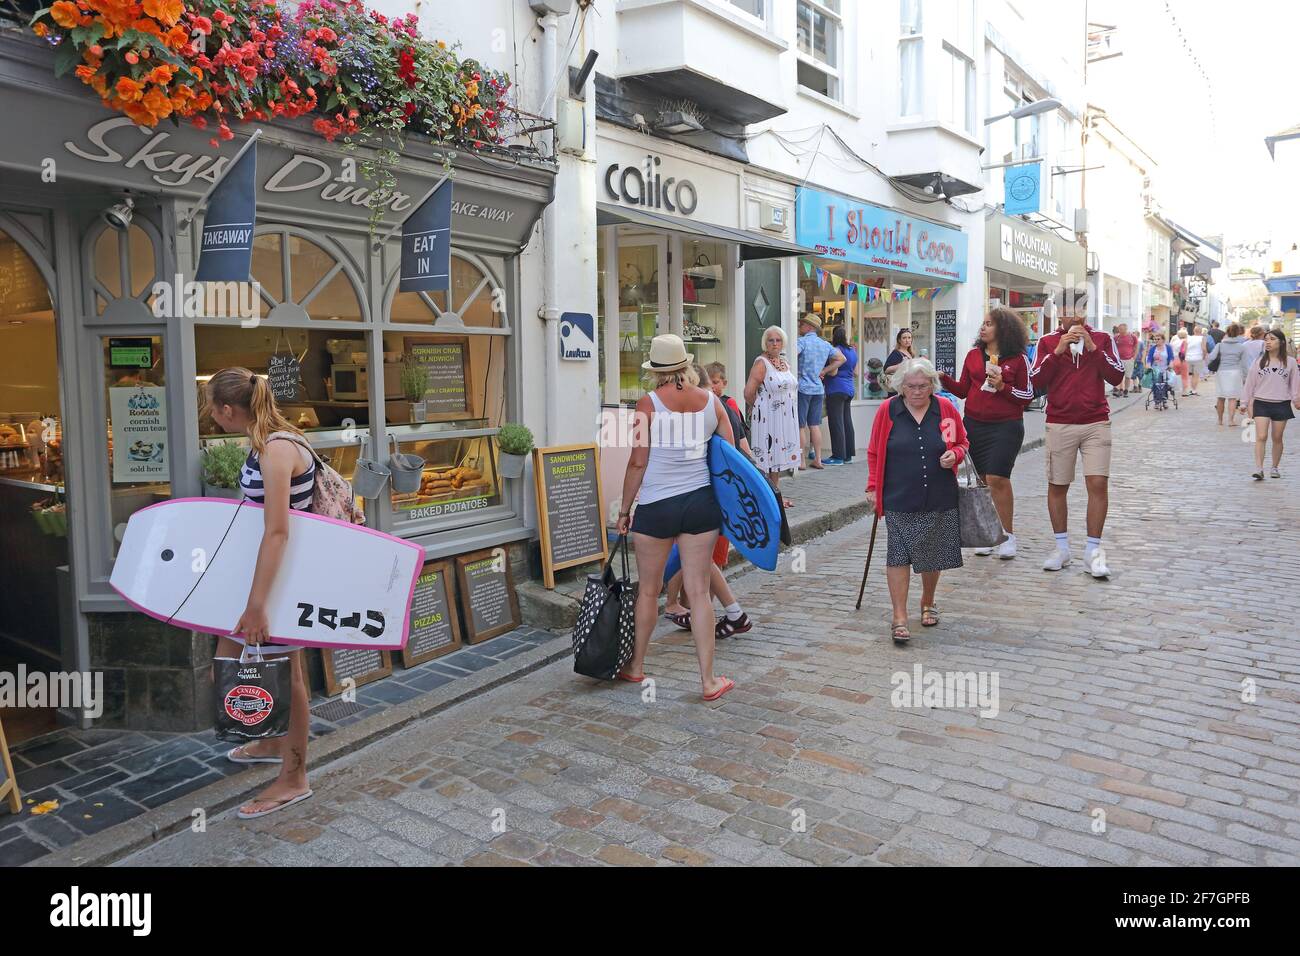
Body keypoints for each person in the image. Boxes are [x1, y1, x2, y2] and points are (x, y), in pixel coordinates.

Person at [204, 368, 316, 820]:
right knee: (229, 667)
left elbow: (277, 532)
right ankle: (273, 739)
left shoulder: (275, 451)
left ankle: (294, 777)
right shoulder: (271, 440)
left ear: (229, 410)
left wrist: (257, 605)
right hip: (260, 579)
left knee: (288, 678)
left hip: (277, 584)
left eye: (212, 409)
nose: (211, 417)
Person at [617, 335, 735, 700]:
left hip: (656, 507)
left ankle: (636, 667)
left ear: (655, 371)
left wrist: (624, 510)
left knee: (649, 591)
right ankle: (708, 681)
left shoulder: (647, 404)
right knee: (699, 592)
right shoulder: (712, 402)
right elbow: (729, 459)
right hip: (700, 505)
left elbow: (638, 461)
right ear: (686, 364)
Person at [865, 357, 969, 644]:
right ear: (901, 386)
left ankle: (928, 600)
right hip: (898, 493)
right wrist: (873, 487)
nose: (918, 391)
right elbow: (874, 452)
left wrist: (955, 455)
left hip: (938, 492)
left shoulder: (945, 409)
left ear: (932, 385)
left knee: (931, 553)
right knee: (898, 554)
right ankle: (899, 615)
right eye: (911, 386)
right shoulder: (889, 411)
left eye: (924, 386)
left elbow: (960, 442)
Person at [1028, 309, 1125, 578]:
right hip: (1060, 421)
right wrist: (1057, 351)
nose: (1074, 318)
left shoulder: (1103, 338)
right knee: (1058, 484)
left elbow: (1117, 376)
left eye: (1079, 310)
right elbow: (1035, 382)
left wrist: (1093, 348)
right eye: (1068, 311)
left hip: (1096, 421)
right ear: (1059, 315)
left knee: (1098, 483)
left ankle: (1093, 552)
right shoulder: (1047, 341)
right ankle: (1062, 548)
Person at [661, 362, 753, 640]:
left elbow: (731, 454)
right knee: (699, 559)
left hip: (706, 497)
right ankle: (714, 612)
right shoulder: (710, 408)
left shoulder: (709, 409)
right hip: (709, 497)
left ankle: (729, 613)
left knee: (700, 557)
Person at [939, 307, 1033, 560]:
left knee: (998, 478)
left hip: (1006, 426)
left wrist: (1003, 386)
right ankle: (988, 535)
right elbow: (962, 391)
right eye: (983, 323)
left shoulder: (1018, 359)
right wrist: (942, 378)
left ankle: (1007, 536)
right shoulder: (973, 356)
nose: (983, 328)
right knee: (981, 481)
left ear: (1003, 329)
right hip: (974, 424)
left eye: (989, 324)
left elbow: (1027, 396)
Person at [744, 325, 801, 507]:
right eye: (771, 340)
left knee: (776, 458)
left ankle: (775, 496)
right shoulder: (761, 363)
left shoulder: (785, 362)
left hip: (784, 418)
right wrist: (760, 408)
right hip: (768, 417)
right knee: (765, 457)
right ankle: (764, 498)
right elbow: (748, 392)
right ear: (765, 343)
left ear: (783, 342)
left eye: (778, 340)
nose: (775, 344)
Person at [1243, 328, 1300, 481]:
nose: (1268, 342)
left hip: (1281, 403)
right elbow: (1250, 383)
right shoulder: (1259, 361)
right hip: (1261, 402)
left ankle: (1274, 467)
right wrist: (1244, 402)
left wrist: (1296, 399)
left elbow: (1295, 383)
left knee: (1277, 437)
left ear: (1281, 342)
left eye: (1272, 339)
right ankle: (1259, 469)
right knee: (1261, 436)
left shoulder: (1291, 363)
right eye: (1266, 339)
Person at [796, 313, 843, 470]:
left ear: (809, 327)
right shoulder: (825, 345)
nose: (799, 326)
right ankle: (817, 459)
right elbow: (842, 359)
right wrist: (824, 370)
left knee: (801, 426)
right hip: (818, 389)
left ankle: (801, 460)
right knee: (814, 425)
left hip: (802, 388)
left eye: (802, 324)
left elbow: (790, 355)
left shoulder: (801, 342)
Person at [824, 325, 858, 464]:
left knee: (836, 422)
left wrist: (823, 370)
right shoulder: (853, 350)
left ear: (834, 336)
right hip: (849, 388)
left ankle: (838, 456)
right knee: (847, 421)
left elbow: (833, 372)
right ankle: (848, 455)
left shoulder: (836, 351)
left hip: (836, 388)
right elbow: (856, 373)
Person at [1207, 323, 1248, 427]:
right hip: (1235, 373)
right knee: (1232, 398)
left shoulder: (1220, 345)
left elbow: (1211, 357)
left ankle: (1220, 420)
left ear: (1227, 333)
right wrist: (1245, 377)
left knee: (1220, 397)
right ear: (1238, 333)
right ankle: (1230, 420)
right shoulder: (1241, 347)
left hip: (1222, 372)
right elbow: (1244, 364)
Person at [1145, 330, 1177, 410]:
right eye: (1155, 339)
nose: (1156, 341)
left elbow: (1171, 358)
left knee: (1165, 384)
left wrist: (1170, 365)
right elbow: (1149, 359)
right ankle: (1156, 401)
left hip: (1165, 368)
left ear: (1163, 339)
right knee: (1156, 385)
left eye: (1158, 339)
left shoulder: (1168, 348)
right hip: (1155, 369)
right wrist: (1148, 365)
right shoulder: (1153, 348)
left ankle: (1164, 400)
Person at [1112, 323, 1139, 397]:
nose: (1120, 331)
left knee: (1128, 376)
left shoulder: (1132, 337)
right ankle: (1119, 389)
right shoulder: (1116, 337)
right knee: (1118, 375)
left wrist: (1134, 357)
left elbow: (1136, 347)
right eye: (1119, 329)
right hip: (1119, 360)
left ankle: (1126, 390)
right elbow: (1112, 347)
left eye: (1122, 329)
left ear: (1126, 329)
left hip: (1129, 359)